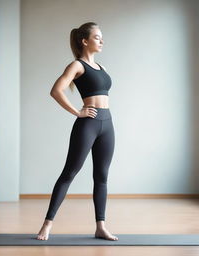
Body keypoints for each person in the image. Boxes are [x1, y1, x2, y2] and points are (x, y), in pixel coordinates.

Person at [37, 22, 118, 241]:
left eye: (102, 37)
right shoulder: (77, 65)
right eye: (98, 37)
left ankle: (101, 226)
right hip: (88, 124)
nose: (102, 41)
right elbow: (56, 90)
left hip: (107, 123)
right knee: (69, 172)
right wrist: (77, 112)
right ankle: (47, 224)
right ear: (85, 41)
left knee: (101, 177)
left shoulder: (102, 67)